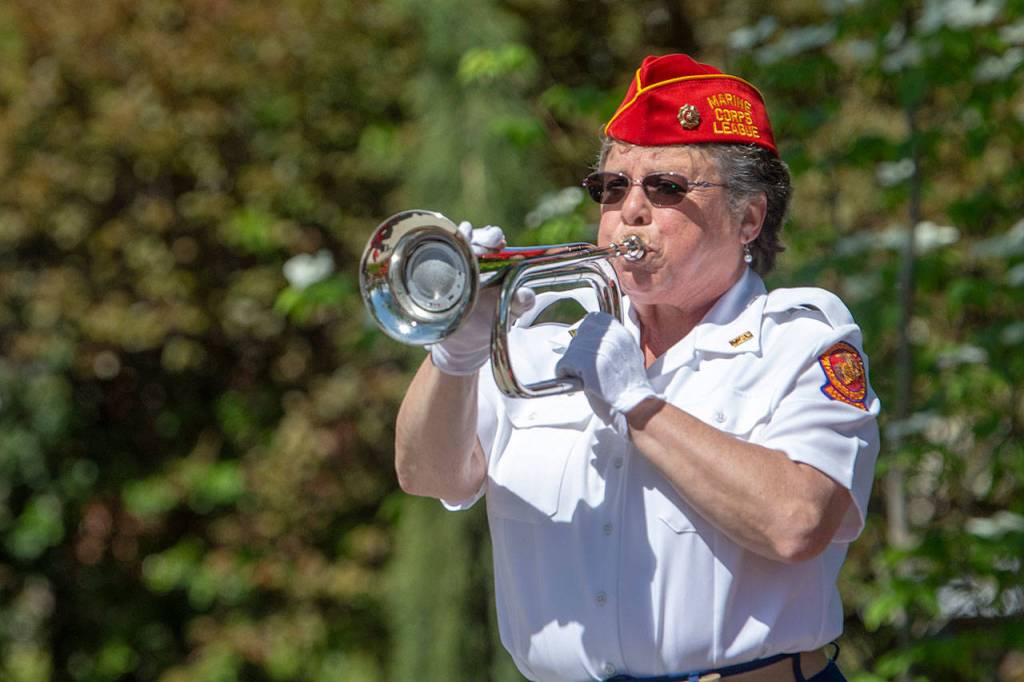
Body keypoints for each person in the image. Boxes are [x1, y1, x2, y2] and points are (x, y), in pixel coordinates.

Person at [394, 53, 880, 682]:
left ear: (748, 218)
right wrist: (456, 352)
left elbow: (797, 522)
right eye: (613, 187)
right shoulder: (540, 345)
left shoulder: (802, 340)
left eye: (667, 187)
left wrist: (641, 406)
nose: (631, 210)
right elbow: (428, 474)